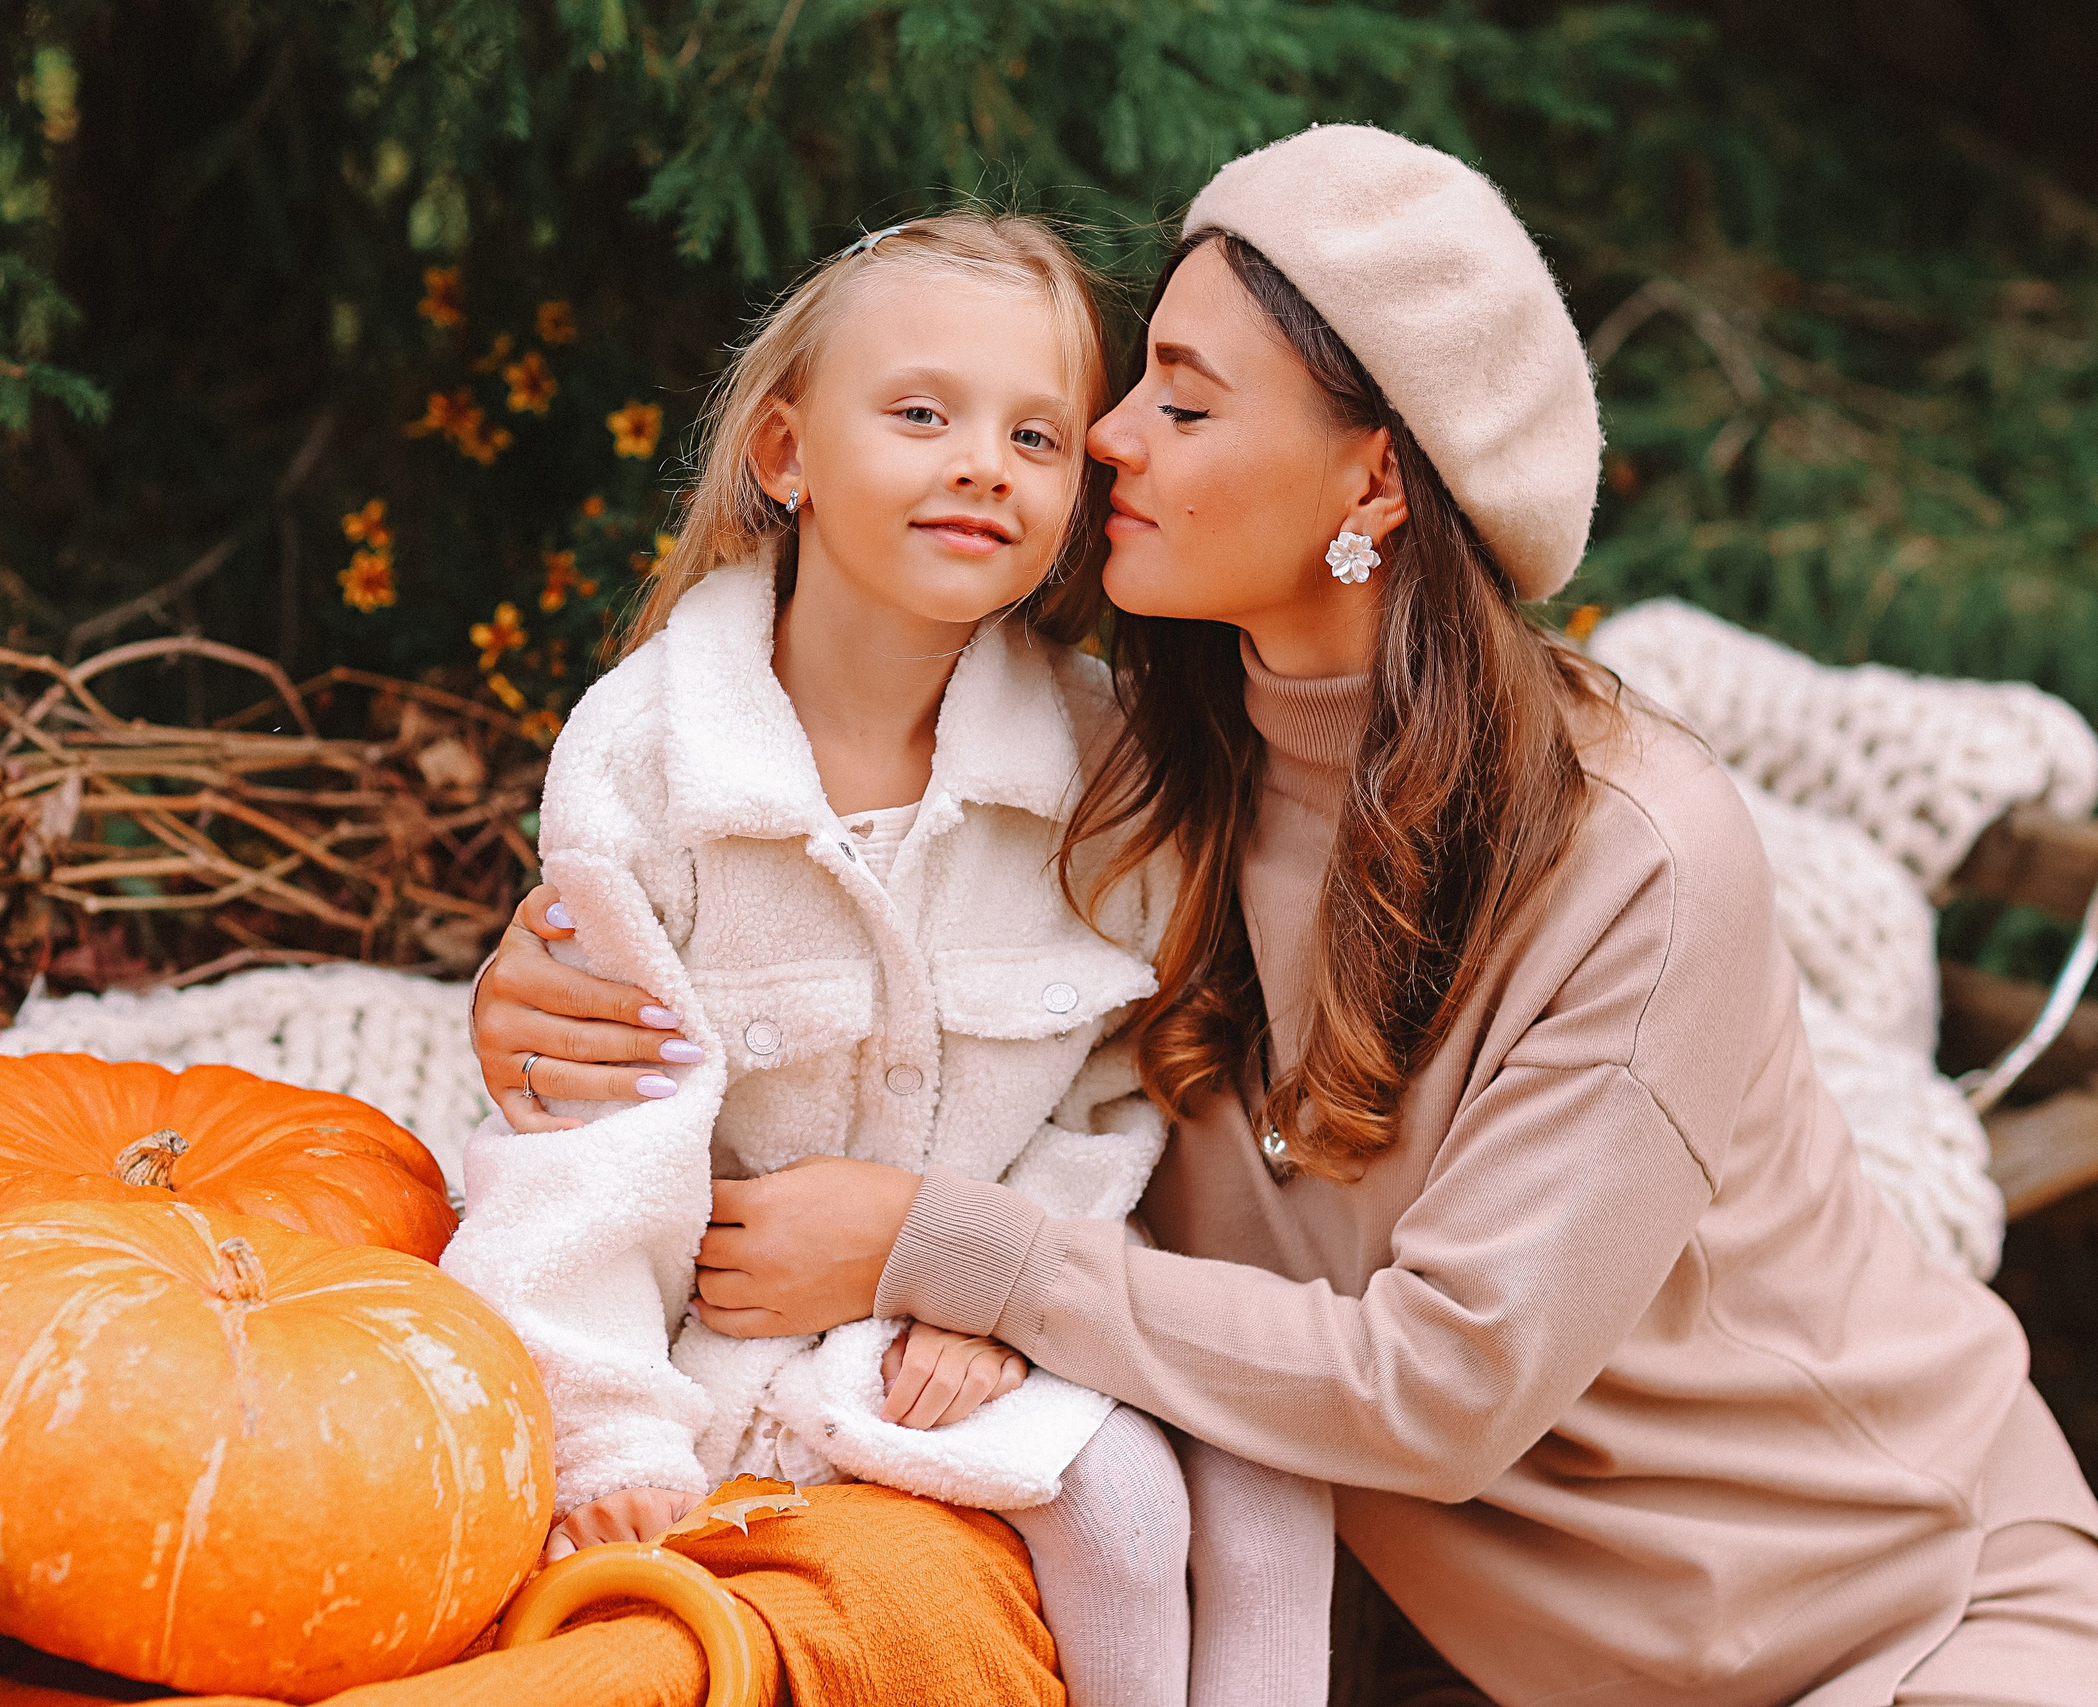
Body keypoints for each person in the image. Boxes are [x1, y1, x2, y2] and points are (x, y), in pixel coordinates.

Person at [469, 126, 2098, 1705]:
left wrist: (939, 1250)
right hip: (1519, 1658)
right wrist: (555, 994)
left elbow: (1447, 1387)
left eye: (1180, 400)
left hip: (1898, 1608)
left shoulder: (1634, 862)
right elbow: (868, 962)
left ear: (1374, 483)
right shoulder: (1117, 764)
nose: (1103, 434)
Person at [438, 211, 1336, 1707]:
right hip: (727, 1341)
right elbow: (593, 1135)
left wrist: (992, 1288)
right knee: (1117, 1501)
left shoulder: (1102, 761)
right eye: (921, 414)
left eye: (1039, 436)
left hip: (983, 1312)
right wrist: (610, 1442)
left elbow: (1113, 1095)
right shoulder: (650, 759)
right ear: (787, 454)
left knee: (1232, 1489)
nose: (984, 460)